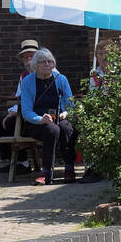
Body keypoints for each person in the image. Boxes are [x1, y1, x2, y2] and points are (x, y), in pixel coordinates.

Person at [19, 48, 78, 186]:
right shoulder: (27, 81)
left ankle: (69, 168)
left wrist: (66, 113)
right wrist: (40, 119)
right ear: (35, 65)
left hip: (60, 117)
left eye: (50, 61)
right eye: (43, 62)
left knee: (66, 128)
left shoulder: (61, 79)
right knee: (52, 130)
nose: (47, 64)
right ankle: (45, 173)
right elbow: (26, 111)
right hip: (37, 122)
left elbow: (70, 104)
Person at [0, 38, 38, 174]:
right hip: (23, 113)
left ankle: (23, 164)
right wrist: (12, 111)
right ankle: (13, 162)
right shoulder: (24, 76)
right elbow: (18, 96)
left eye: (31, 56)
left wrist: (16, 112)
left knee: (11, 123)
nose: (28, 60)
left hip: (37, 115)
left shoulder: (47, 72)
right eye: (25, 57)